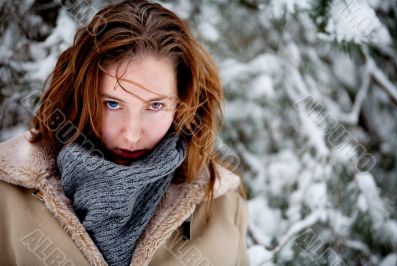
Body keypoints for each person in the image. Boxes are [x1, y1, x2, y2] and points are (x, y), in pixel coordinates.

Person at [0, 1, 249, 265]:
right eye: (112, 104)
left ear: (182, 102)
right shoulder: (8, 191)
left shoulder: (221, 201)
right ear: (82, 96)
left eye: (155, 105)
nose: (131, 133)